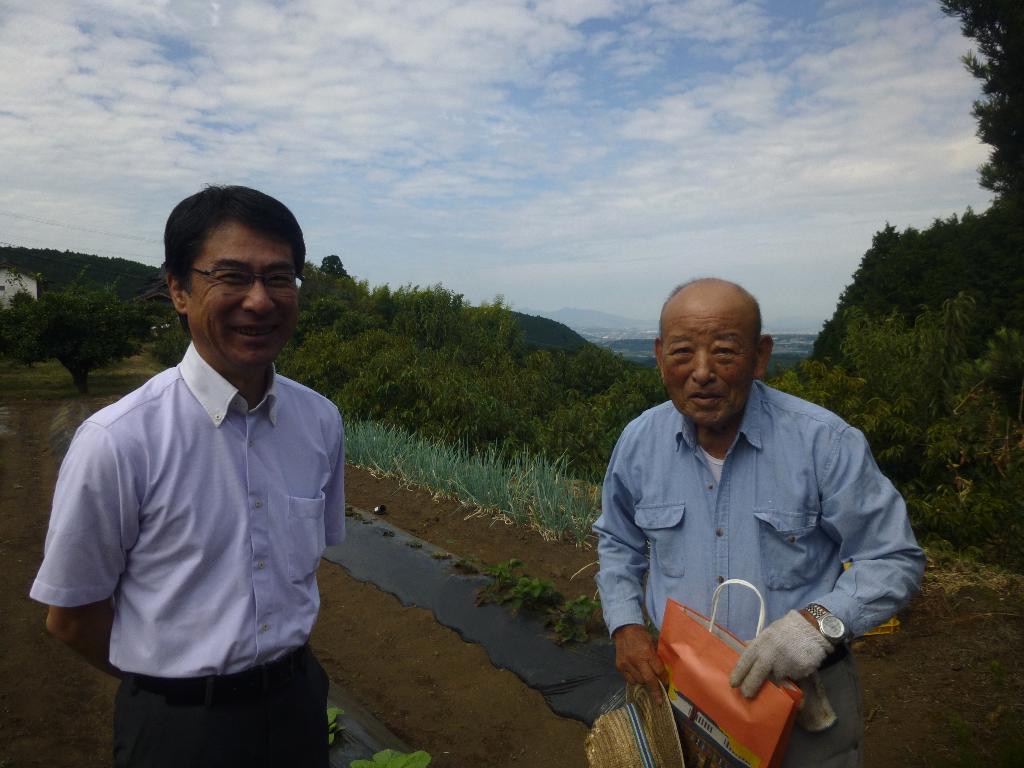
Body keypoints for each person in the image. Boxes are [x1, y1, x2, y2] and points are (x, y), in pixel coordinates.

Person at [30, 186, 345, 768]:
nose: (259, 301)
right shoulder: (119, 440)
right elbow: (71, 618)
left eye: (279, 278)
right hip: (179, 731)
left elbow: (305, 565)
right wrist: (169, 688)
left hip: (298, 705)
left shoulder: (320, 421)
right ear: (178, 289)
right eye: (232, 277)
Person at [593, 277, 925, 766]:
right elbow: (617, 541)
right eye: (682, 352)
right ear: (660, 356)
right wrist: (625, 624)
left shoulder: (824, 443)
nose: (701, 373)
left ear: (760, 355)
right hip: (685, 687)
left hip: (801, 697)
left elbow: (893, 558)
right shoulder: (640, 442)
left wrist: (817, 625)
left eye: (724, 352)